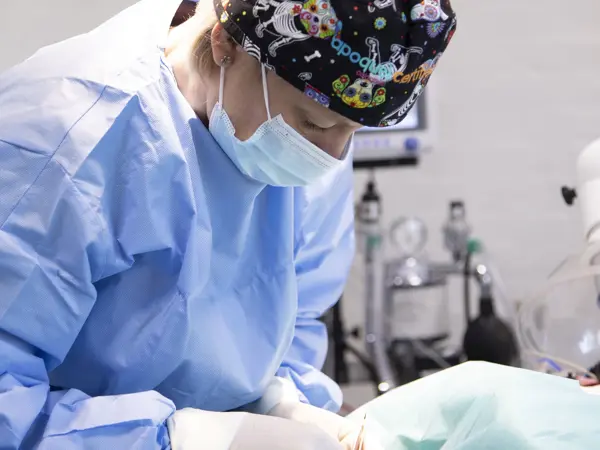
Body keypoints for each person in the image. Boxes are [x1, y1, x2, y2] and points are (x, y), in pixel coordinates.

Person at [0, 0, 456, 448]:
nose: (332, 155)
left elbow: (295, 318)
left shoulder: (315, 133)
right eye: (314, 123)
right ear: (224, 44)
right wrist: (177, 439)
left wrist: (281, 402)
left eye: (353, 130)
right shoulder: (66, 141)